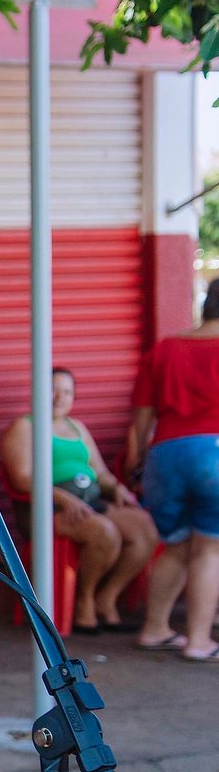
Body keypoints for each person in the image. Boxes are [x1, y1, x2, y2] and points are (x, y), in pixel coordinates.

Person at [0, 367, 158, 633]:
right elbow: (22, 478)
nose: (59, 397)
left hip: (90, 502)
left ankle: (106, 598)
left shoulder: (78, 428)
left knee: (145, 529)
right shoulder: (25, 426)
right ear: (37, 391)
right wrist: (65, 500)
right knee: (105, 534)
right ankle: (84, 602)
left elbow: (100, 472)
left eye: (67, 392)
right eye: (53, 390)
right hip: (47, 510)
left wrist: (117, 488)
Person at [127, 278, 219, 661]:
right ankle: (199, 641)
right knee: (210, 549)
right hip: (213, 453)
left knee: (176, 545)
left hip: (165, 457)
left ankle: (154, 629)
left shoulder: (164, 348)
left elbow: (142, 415)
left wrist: (139, 461)